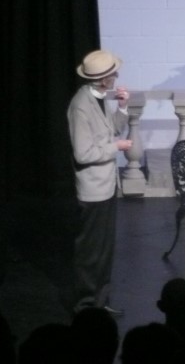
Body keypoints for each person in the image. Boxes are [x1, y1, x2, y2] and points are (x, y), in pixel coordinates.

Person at [67, 50, 132, 316]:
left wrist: (123, 108)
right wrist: (116, 147)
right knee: (91, 252)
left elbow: (111, 129)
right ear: (104, 78)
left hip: (106, 186)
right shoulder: (81, 106)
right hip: (93, 190)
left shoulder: (99, 98)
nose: (116, 75)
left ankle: (100, 302)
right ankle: (85, 307)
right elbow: (83, 153)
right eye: (113, 73)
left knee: (104, 250)